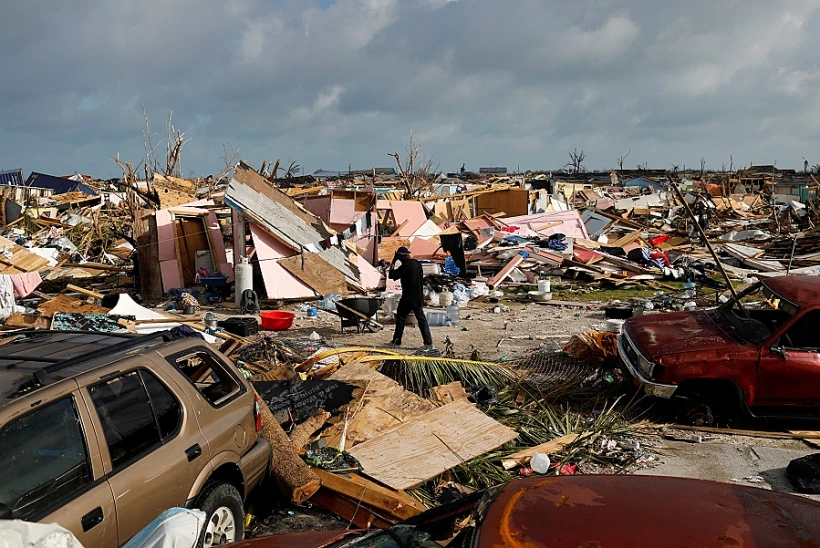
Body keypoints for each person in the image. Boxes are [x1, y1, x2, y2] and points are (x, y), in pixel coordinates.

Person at [388, 247, 433, 348]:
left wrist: (393, 261)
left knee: (401, 318)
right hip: (418, 296)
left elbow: (391, 275)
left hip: (408, 297)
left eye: (400, 257)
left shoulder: (406, 266)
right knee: (421, 319)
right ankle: (428, 343)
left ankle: (396, 341)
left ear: (403, 257)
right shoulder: (417, 263)